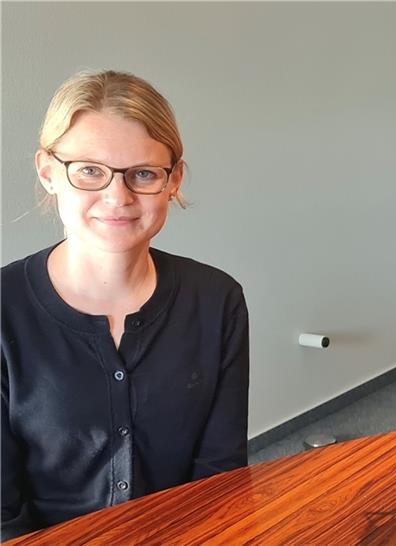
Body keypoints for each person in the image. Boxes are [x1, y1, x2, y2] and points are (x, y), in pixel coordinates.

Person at [1, 70, 250, 539]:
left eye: (143, 173)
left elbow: (220, 479)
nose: (118, 197)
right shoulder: (4, 308)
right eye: (90, 171)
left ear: (173, 180)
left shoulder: (218, 300)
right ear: (48, 172)